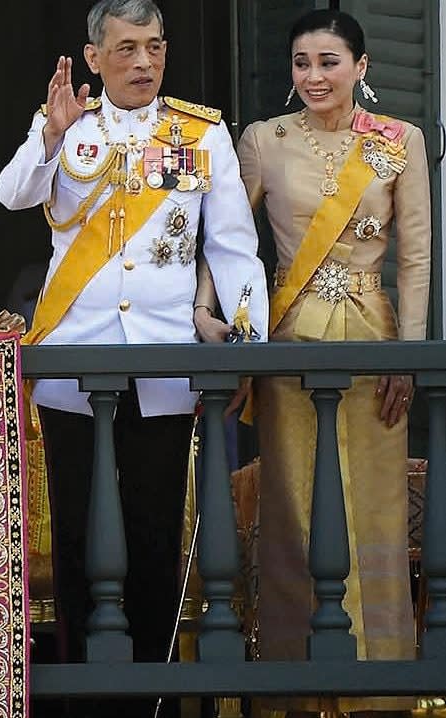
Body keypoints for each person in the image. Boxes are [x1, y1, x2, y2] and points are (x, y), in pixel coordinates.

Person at [0, 1, 268, 716]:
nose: (142, 62)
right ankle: (89, 697)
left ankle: (151, 696)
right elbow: (13, 193)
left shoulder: (200, 133)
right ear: (94, 58)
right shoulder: (66, 128)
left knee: (153, 533)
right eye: (125, 49)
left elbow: (233, 248)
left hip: (163, 365)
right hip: (72, 363)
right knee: (83, 532)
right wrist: (48, 137)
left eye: (153, 47)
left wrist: (242, 343)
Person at [235, 8, 430, 716]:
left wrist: (408, 351)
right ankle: (295, 687)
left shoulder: (398, 142)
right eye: (300, 63)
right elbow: (229, 239)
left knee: (374, 515)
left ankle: (378, 690)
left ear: (361, 67)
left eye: (327, 62)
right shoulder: (262, 140)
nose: (312, 76)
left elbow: (413, 258)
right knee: (293, 513)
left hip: (374, 345)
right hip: (289, 345)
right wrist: (214, 312)